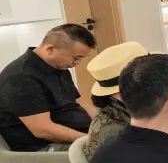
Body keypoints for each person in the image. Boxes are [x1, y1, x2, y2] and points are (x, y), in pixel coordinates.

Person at [0, 23, 96, 151]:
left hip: (75, 134)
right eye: (76, 58)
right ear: (50, 49)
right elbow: (43, 130)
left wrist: (104, 123)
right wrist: (92, 140)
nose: (78, 63)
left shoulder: (59, 67)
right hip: (43, 146)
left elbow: (81, 103)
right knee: (112, 152)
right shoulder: (21, 78)